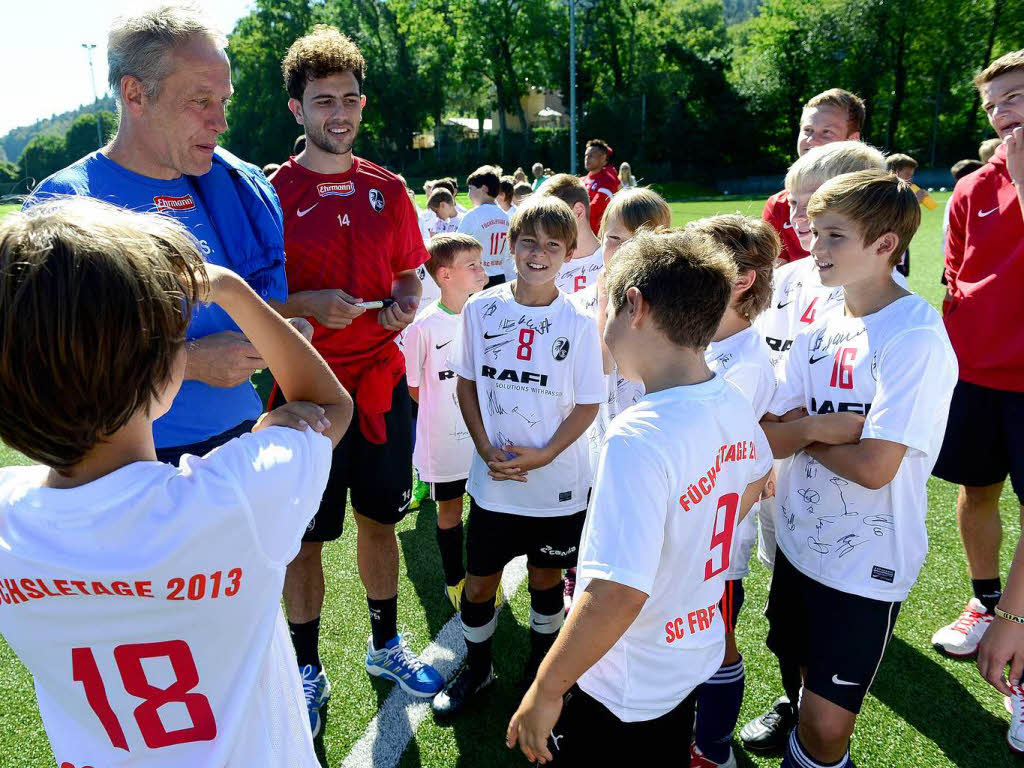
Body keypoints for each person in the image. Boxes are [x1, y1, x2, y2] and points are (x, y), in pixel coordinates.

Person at [0, 197, 352, 764]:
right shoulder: (233, 498)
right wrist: (231, 289)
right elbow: (328, 404)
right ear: (159, 368)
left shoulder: (8, 519)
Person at [505, 227, 772, 765]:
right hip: (691, 646)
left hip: (627, 676)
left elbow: (616, 595)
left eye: (605, 305)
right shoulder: (730, 398)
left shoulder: (639, 433)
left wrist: (548, 687)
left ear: (635, 307)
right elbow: (755, 476)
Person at [270, 25, 444, 732]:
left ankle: (383, 647)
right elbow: (246, 297)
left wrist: (404, 302)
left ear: (362, 104)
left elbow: (409, 272)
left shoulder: (389, 188)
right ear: (297, 110)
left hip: (378, 390)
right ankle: (306, 669)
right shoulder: (270, 192)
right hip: (304, 395)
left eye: (347, 99)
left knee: (381, 523)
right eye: (321, 101)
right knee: (302, 540)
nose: (337, 114)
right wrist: (306, 308)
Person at [25, 3, 291, 467]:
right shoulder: (67, 203)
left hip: (243, 436)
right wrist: (190, 363)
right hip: (136, 460)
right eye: (200, 101)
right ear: (135, 94)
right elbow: (51, 365)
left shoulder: (229, 187)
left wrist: (275, 333)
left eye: (223, 101)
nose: (221, 122)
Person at [760, 169, 957, 768]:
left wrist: (803, 434)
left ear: (884, 245)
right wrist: (820, 429)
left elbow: (875, 467)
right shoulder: (818, 312)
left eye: (833, 236)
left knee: (827, 726)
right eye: (815, 232)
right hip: (797, 540)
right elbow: (772, 431)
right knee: (797, 675)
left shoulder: (915, 336)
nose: (814, 248)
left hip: (864, 562)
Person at [740, 140, 893, 753]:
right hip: (780, 465)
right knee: (787, 602)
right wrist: (787, 435)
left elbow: (864, 436)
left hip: (848, 510)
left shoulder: (876, 298)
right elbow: (770, 373)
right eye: (797, 204)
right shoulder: (790, 278)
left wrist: (796, 431)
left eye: (811, 207)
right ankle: (792, 698)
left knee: (827, 604)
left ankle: (814, 709)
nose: (796, 218)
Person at [432, 197, 605, 719]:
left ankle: (537, 669)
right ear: (509, 245)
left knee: (546, 580)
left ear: (569, 254)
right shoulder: (482, 309)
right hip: (494, 481)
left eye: (553, 244)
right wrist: (485, 448)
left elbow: (590, 402)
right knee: (480, 580)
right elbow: (465, 383)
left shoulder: (578, 321)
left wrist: (547, 453)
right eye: (528, 241)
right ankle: (478, 665)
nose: (539, 253)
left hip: (556, 486)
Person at [932, 51, 1024, 727]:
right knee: (978, 490)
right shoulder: (972, 188)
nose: (1002, 113)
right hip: (976, 375)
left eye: (1015, 97)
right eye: (993, 104)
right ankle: (986, 600)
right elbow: (957, 272)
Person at [687, 215, 780, 768]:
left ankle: (714, 749)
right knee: (684, 642)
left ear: (741, 279)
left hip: (715, 545)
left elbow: (715, 457)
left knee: (716, 643)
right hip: (683, 533)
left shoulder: (745, 363)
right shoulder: (699, 339)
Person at [403, 234, 489, 608]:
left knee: (487, 507)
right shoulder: (423, 327)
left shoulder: (486, 314)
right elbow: (415, 389)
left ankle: (483, 575)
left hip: (483, 438)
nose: (482, 271)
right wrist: (448, 412)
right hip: (443, 442)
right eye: (472, 265)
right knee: (450, 509)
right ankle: (455, 579)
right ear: (444, 274)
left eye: (481, 263)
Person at [761, 89, 865, 264]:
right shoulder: (780, 205)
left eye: (827, 132)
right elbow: (776, 275)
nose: (812, 140)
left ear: (852, 140)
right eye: (808, 130)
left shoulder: (870, 198)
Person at [537, 173, 604, 294]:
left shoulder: (614, 262)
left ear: (578, 212)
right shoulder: (542, 263)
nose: (544, 224)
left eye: (552, 215)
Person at [458, 165, 512, 287]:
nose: (468, 195)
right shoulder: (506, 217)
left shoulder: (473, 215)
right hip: (500, 277)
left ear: (483, 189)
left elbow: (455, 246)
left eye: (470, 189)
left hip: (476, 277)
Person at [939, 159, 984, 285]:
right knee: (954, 291)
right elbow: (949, 229)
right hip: (960, 256)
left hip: (958, 255)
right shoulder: (960, 197)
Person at [581, 138, 621, 235]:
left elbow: (594, 209)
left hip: (598, 239)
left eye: (591, 155)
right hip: (580, 235)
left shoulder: (608, 180)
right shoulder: (581, 180)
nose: (587, 158)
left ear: (603, 158)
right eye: (586, 155)